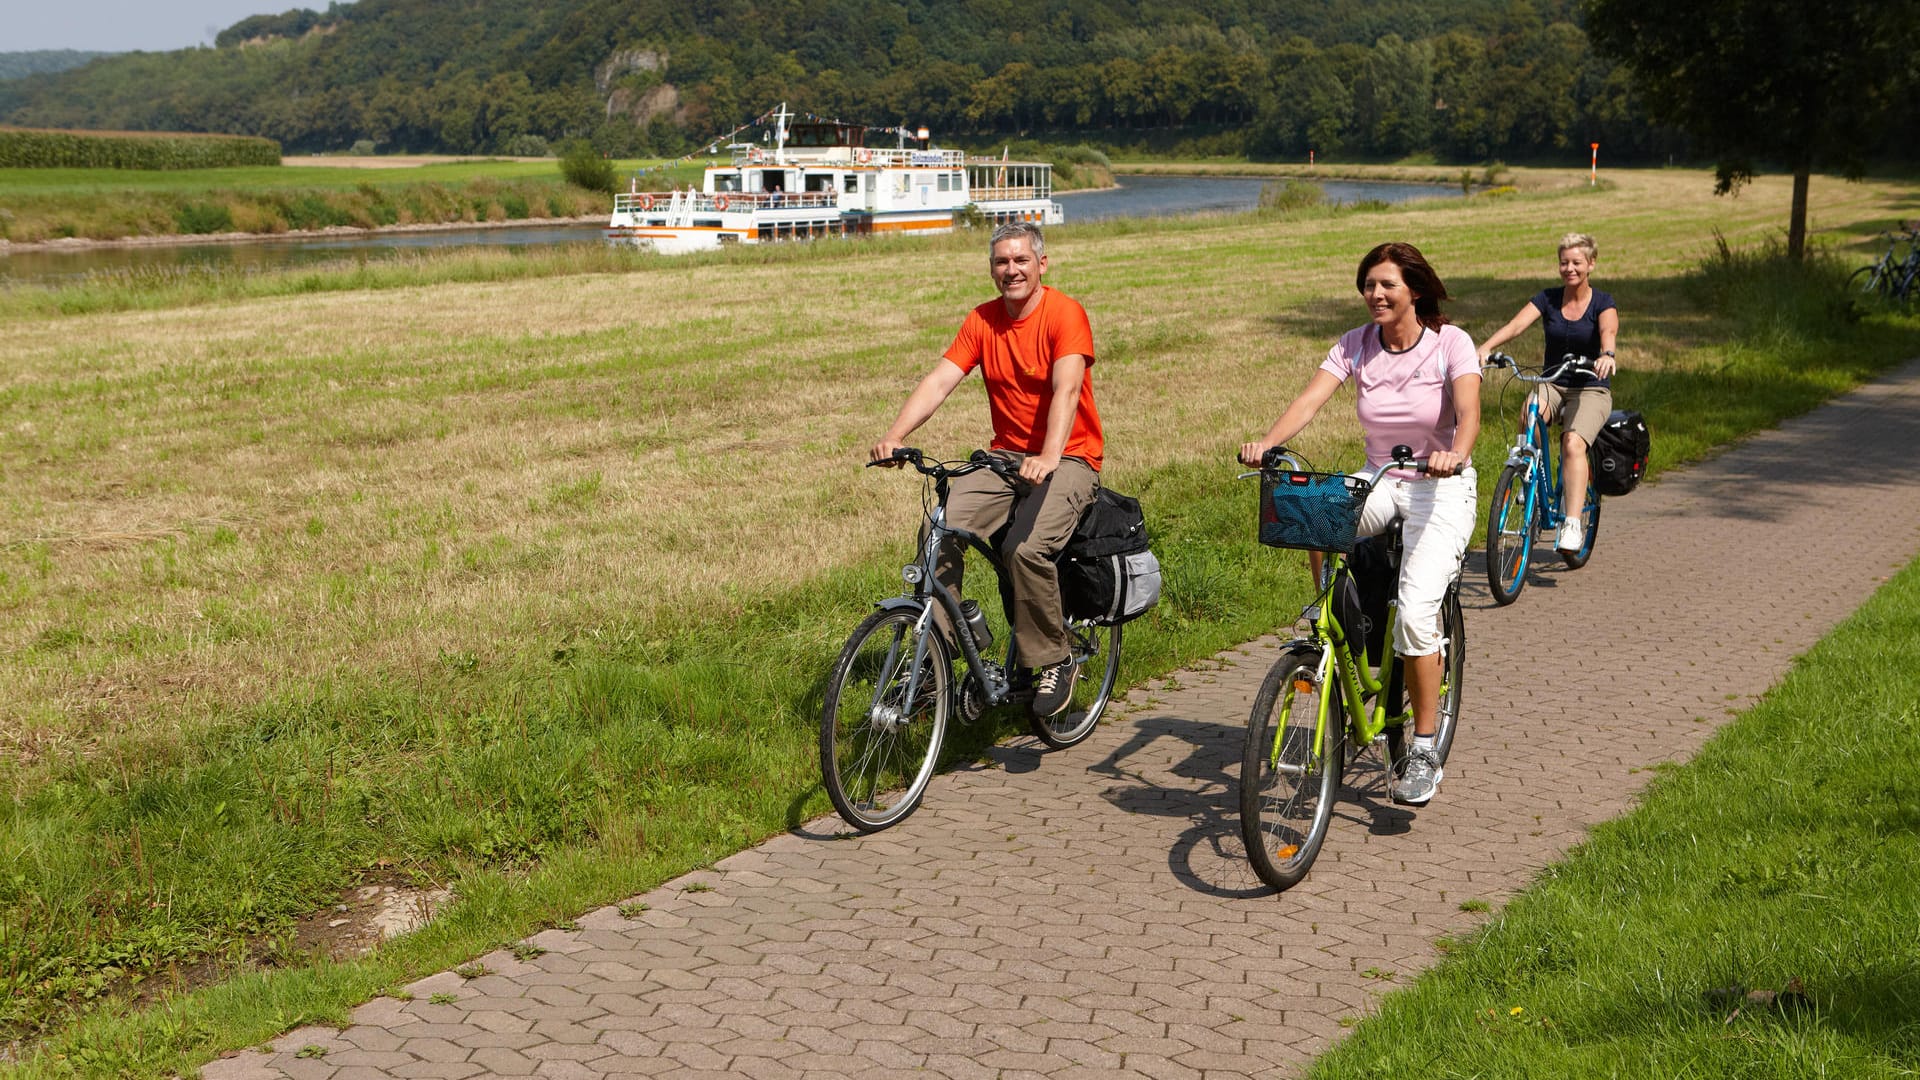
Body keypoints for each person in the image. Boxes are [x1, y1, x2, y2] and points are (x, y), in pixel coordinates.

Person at [1239, 242, 1481, 806]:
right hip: (1381, 477)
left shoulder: (1451, 343)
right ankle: (1326, 610)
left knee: (1417, 613)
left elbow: (1468, 414)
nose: (1375, 294)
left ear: (1414, 291)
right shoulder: (1355, 344)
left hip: (1438, 484)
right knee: (1315, 507)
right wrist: (1270, 443)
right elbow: (1310, 400)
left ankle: (1422, 749)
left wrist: (1457, 453)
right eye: (1369, 284)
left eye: (1387, 285)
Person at [871, 221, 1103, 718]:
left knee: (1026, 549)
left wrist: (1048, 456)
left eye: (1021, 260)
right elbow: (939, 382)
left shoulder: (1066, 314)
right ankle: (937, 661)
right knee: (940, 529)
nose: (1011, 270)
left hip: (1071, 456)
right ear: (991, 269)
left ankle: (1055, 659)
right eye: (1002, 262)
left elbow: (1066, 390)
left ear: (1042, 264)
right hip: (1003, 458)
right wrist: (896, 436)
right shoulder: (983, 321)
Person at [1475, 232, 1619, 552]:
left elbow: (1608, 331)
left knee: (1572, 443)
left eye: (1577, 262)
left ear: (1591, 264)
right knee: (1529, 413)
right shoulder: (1548, 298)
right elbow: (1516, 326)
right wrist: (1486, 348)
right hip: (1554, 381)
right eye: (1564, 262)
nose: (1569, 268)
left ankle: (1570, 524)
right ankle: (1528, 475)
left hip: (1590, 386)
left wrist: (1606, 355)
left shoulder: (1602, 302)